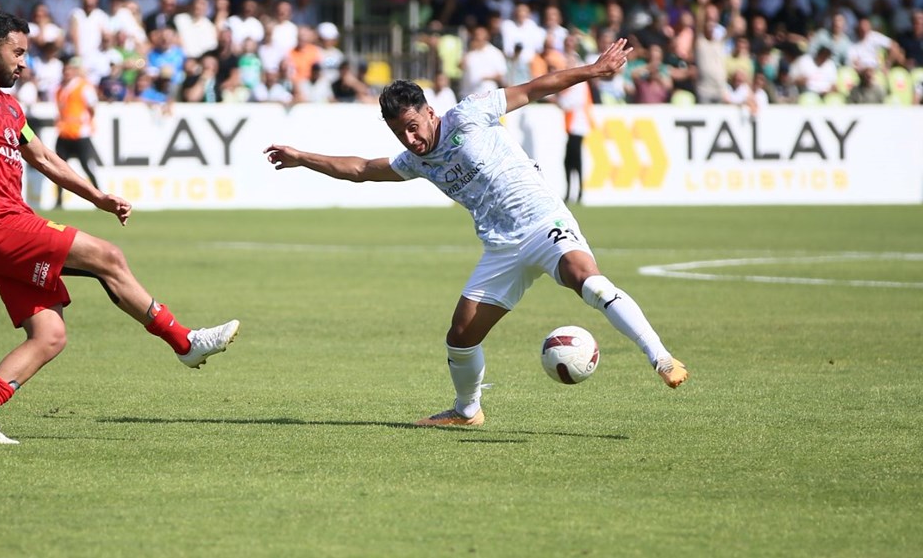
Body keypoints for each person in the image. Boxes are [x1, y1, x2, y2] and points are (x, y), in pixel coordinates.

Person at [264, 38, 687, 428]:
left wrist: (593, 70)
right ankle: (467, 411)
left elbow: (535, 88)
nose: (410, 140)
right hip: (502, 248)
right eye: (399, 133)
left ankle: (661, 358)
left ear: (430, 112)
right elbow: (359, 170)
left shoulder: (470, 112)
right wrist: (302, 157)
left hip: (543, 222)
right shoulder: (417, 162)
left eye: (413, 126)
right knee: (461, 335)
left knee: (587, 280)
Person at [0, 11, 239, 444]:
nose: (23, 63)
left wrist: (98, 197)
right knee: (108, 257)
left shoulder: (11, 107)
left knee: (50, 335)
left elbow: (46, 160)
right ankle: (184, 341)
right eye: (17, 53)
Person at [53, 57, 101, 208]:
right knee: (58, 168)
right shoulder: (60, 89)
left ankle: (99, 196)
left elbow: (92, 106)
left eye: (69, 71)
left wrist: (85, 122)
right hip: (64, 133)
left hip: (80, 134)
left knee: (87, 166)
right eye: (64, 71)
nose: (66, 74)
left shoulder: (83, 86)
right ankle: (59, 201)